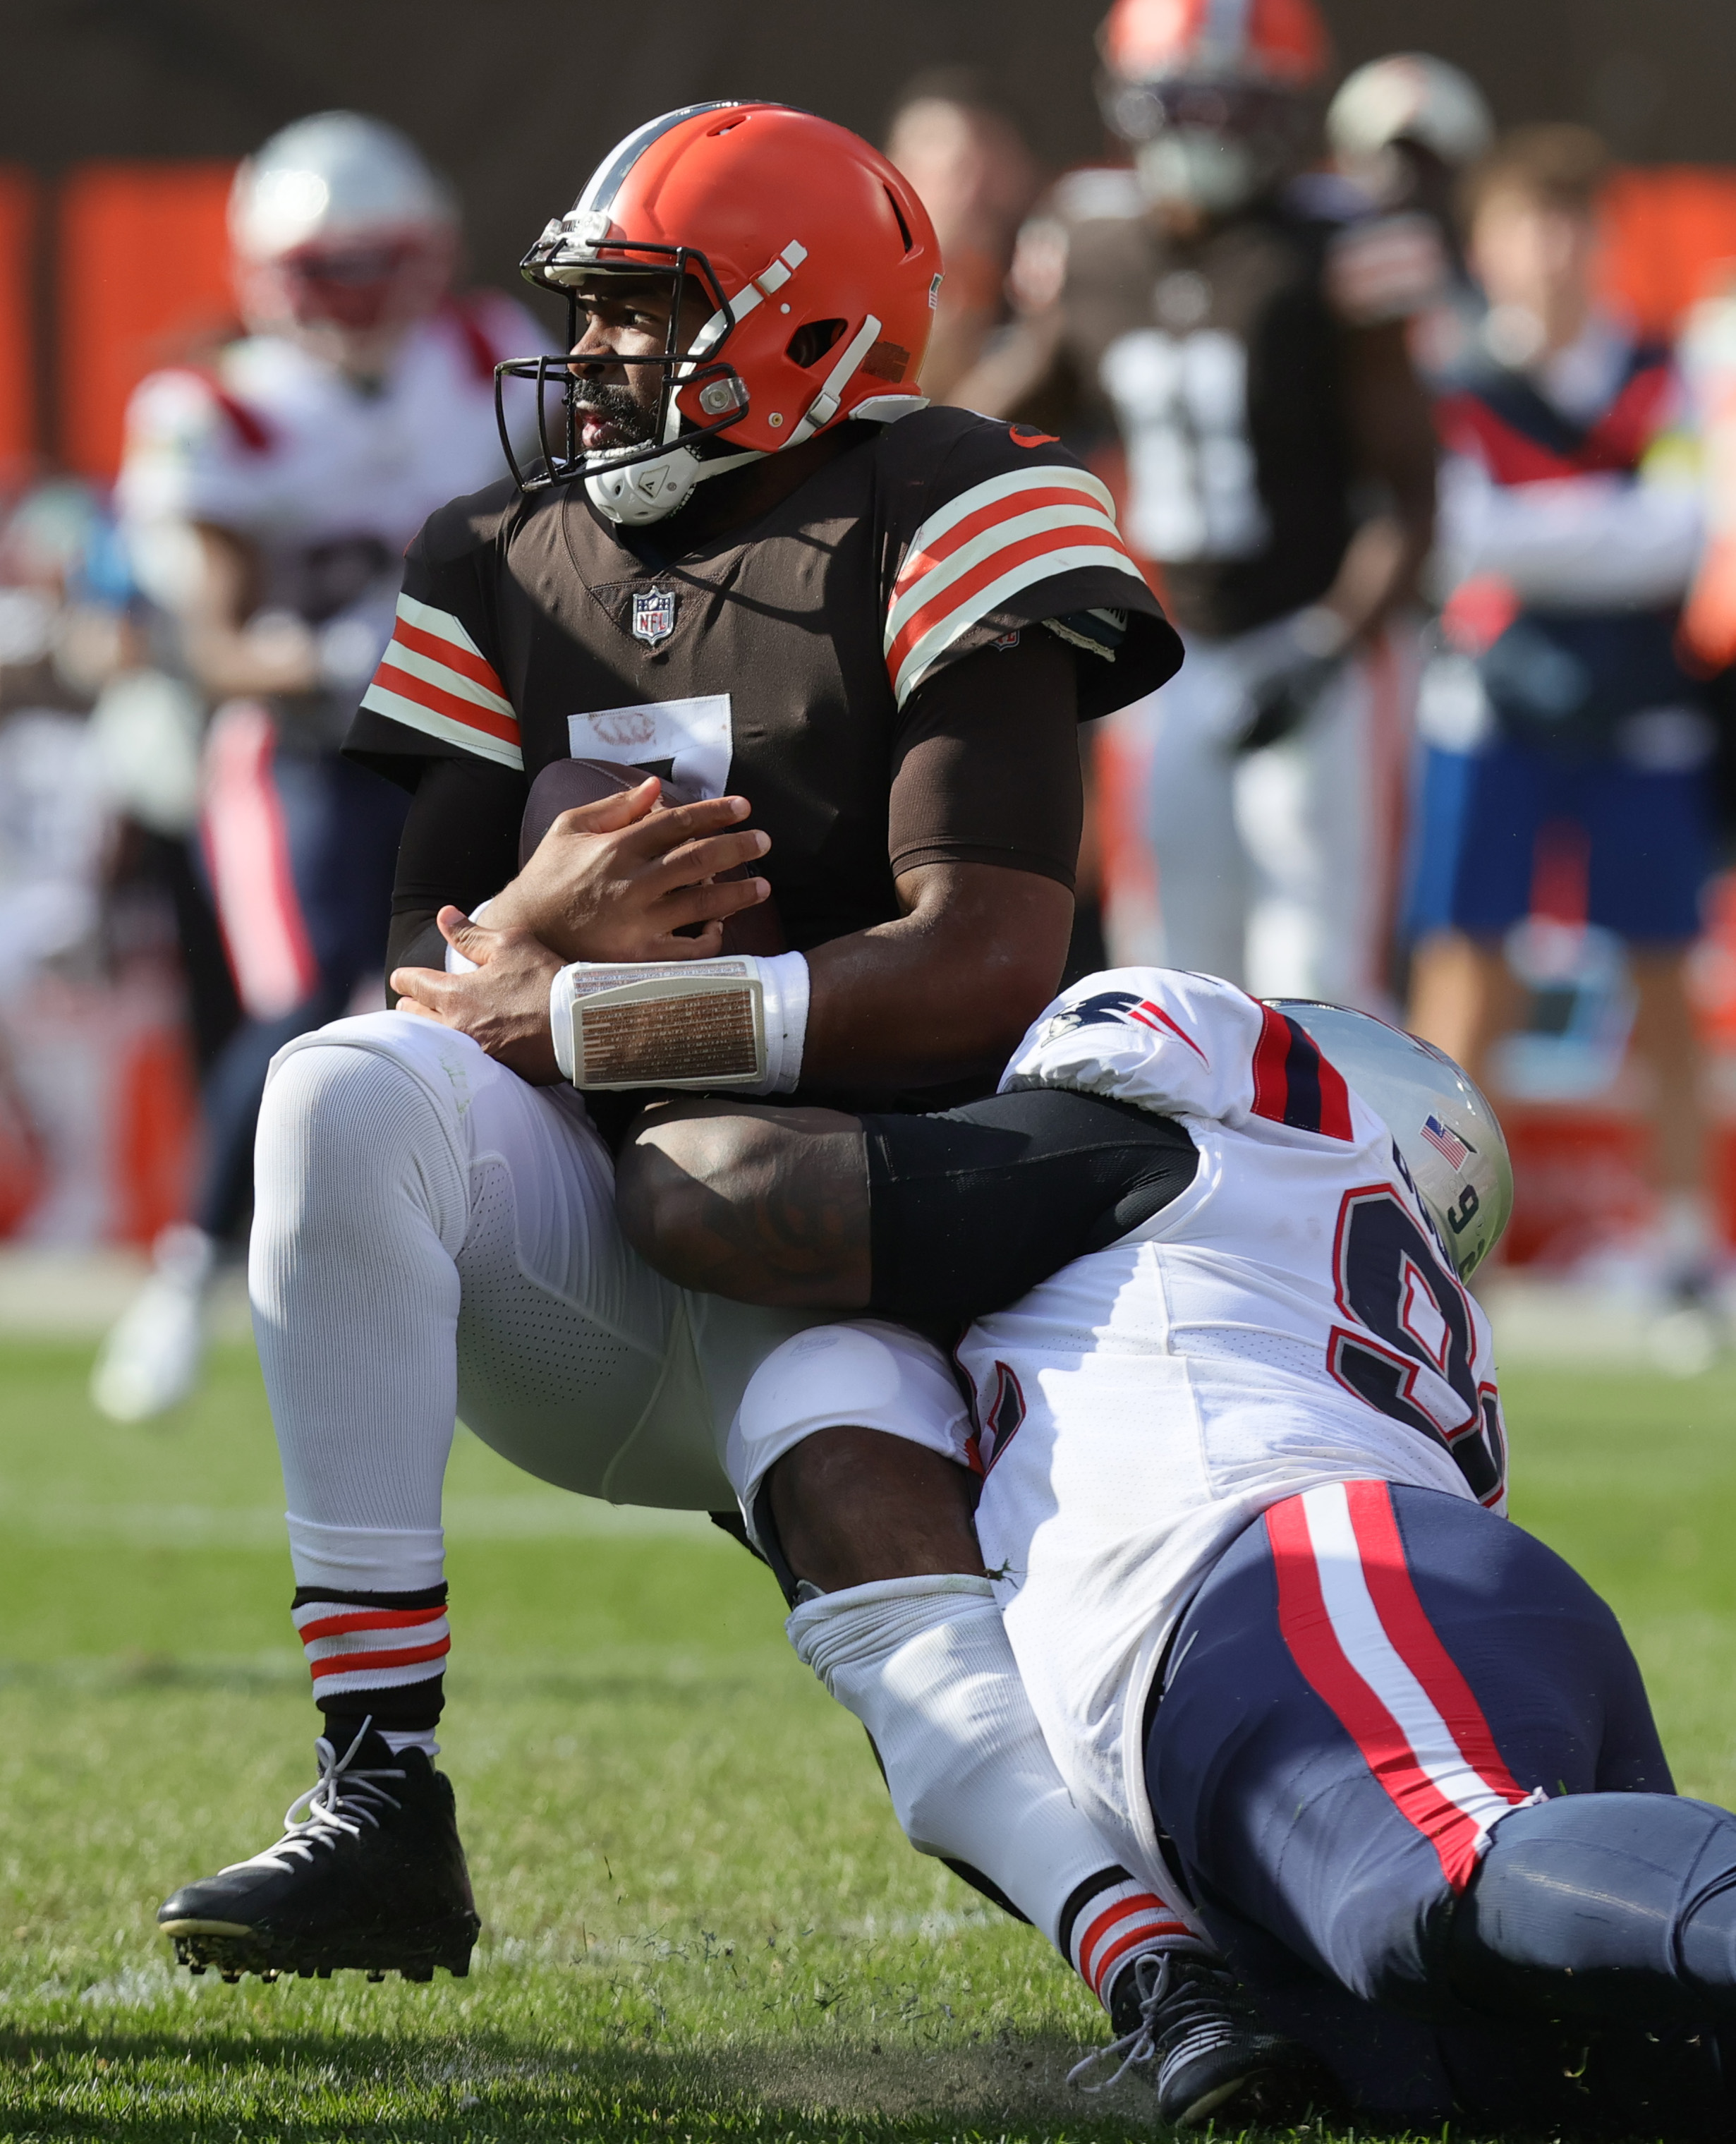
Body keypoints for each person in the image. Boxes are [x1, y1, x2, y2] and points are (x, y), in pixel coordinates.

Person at [152, 100, 1285, 2120]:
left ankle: (1167, 1974)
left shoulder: (959, 497)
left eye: (639, 307)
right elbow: (428, 968)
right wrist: (521, 921)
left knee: (896, 1596)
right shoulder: (498, 555)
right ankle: (378, 1788)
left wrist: (588, 1003)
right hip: (577, 1244)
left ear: (802, 317)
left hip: (848, 1231)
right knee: (337, 1088)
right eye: (579, 311)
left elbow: (979, 957)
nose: (587, 353)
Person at [671, 969, 1736, 2131]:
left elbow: (720, 1197)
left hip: (1301, 1583)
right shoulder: (1265, 1263)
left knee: (1441, 1875)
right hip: (1321, 1637)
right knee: (1551, 2078)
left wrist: (623, 1041)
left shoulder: (1173, 1152)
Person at [90, 111, 546, 1422]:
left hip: (465, 742)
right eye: (325, 268)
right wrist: (317, 655)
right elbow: (211, 642)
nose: (351, 298)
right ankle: (188, 1271)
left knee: (495, 997)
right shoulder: (214, 408)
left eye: (372, 263)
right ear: (264, 271)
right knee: (300, 999)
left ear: (430, 256)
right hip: (304, 751)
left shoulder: (488, 353)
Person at [956, 0, 1439, 1014]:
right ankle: (1194, 1171)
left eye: (1236, 105)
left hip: (1319, 640)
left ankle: (1345, 1167)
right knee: (1169, 960)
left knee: (1320, 972)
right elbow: (996, 422)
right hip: (1170, 650)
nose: (1208, 130)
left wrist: (1327, 641)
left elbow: (1411, 492)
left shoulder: (1342, 243)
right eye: (1186, 101)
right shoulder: (1088, 234)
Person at [1404, 125, 1718, 1307]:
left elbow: (1685, 533)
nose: (1551, 247)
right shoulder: (1453, 379)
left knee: (1664, 978)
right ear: (1485, 245)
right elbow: (1458, 538)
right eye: (1528, 222)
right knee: (1466, 976)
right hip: (1490, 716)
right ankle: (1428, 1240)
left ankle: (1687, 1246)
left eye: (1573, 221)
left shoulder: (1662, 370)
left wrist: (1547, 539)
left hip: (1643, 721)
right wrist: (1610, 526)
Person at [882, 69, 1043, 406]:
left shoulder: (1056, 304)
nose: (972, 196)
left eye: (990, 174)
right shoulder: (858, 319)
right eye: (955, 173)